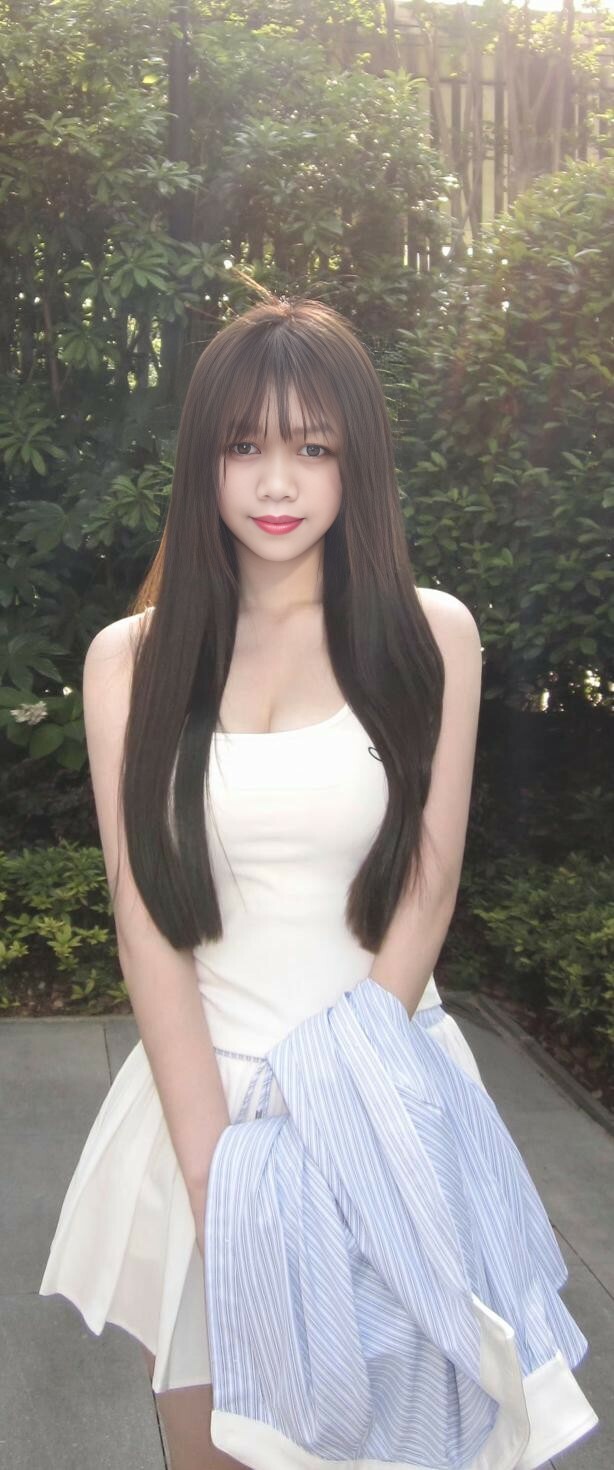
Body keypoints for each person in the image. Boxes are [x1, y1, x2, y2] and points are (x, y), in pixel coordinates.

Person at [38, 295, 580, 1470]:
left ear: (356, 464)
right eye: (244, 445)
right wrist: (221, 1177)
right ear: (203, 461)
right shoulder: (130, 661)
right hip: (204, 1103)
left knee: (400, 1437)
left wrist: (345, 1118)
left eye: (312, 447)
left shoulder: (430, 635)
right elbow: (143, 921)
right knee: (217, 1443)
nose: (276, 482)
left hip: (387, 1089)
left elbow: (427, 887)